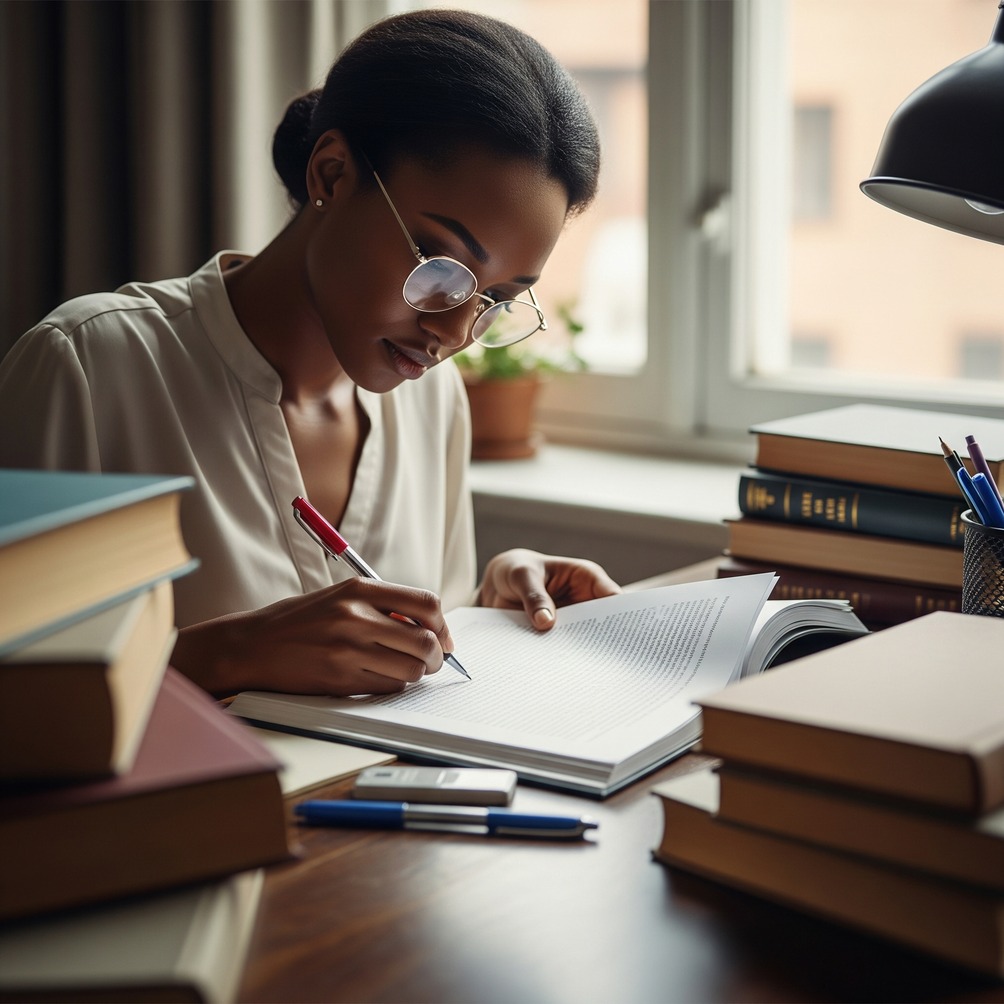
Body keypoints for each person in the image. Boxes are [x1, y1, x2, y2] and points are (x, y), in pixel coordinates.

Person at [0, 8, 620, 698]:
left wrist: (485, 608)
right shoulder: (85, 370)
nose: (452, 332)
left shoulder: (433, 400)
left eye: (497, 299)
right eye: (441, 268)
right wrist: (226, 655)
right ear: (331, 173)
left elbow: (426, 676)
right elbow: (24, 698)